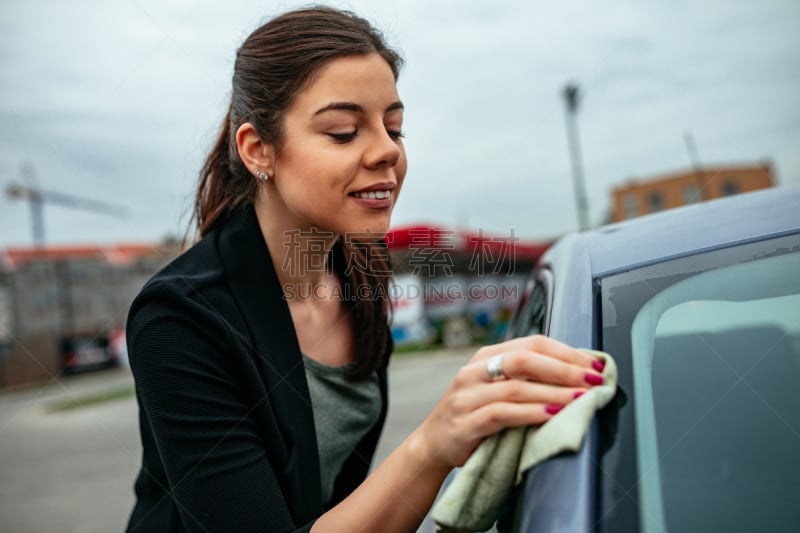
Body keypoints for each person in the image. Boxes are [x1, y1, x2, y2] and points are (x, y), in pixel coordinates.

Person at [125, 6, 605, 532]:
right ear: (259, 150)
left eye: (393, 128)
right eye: (343, 132)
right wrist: (431, 445)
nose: (386, 152)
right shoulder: (178, 320)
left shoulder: (361, 271)